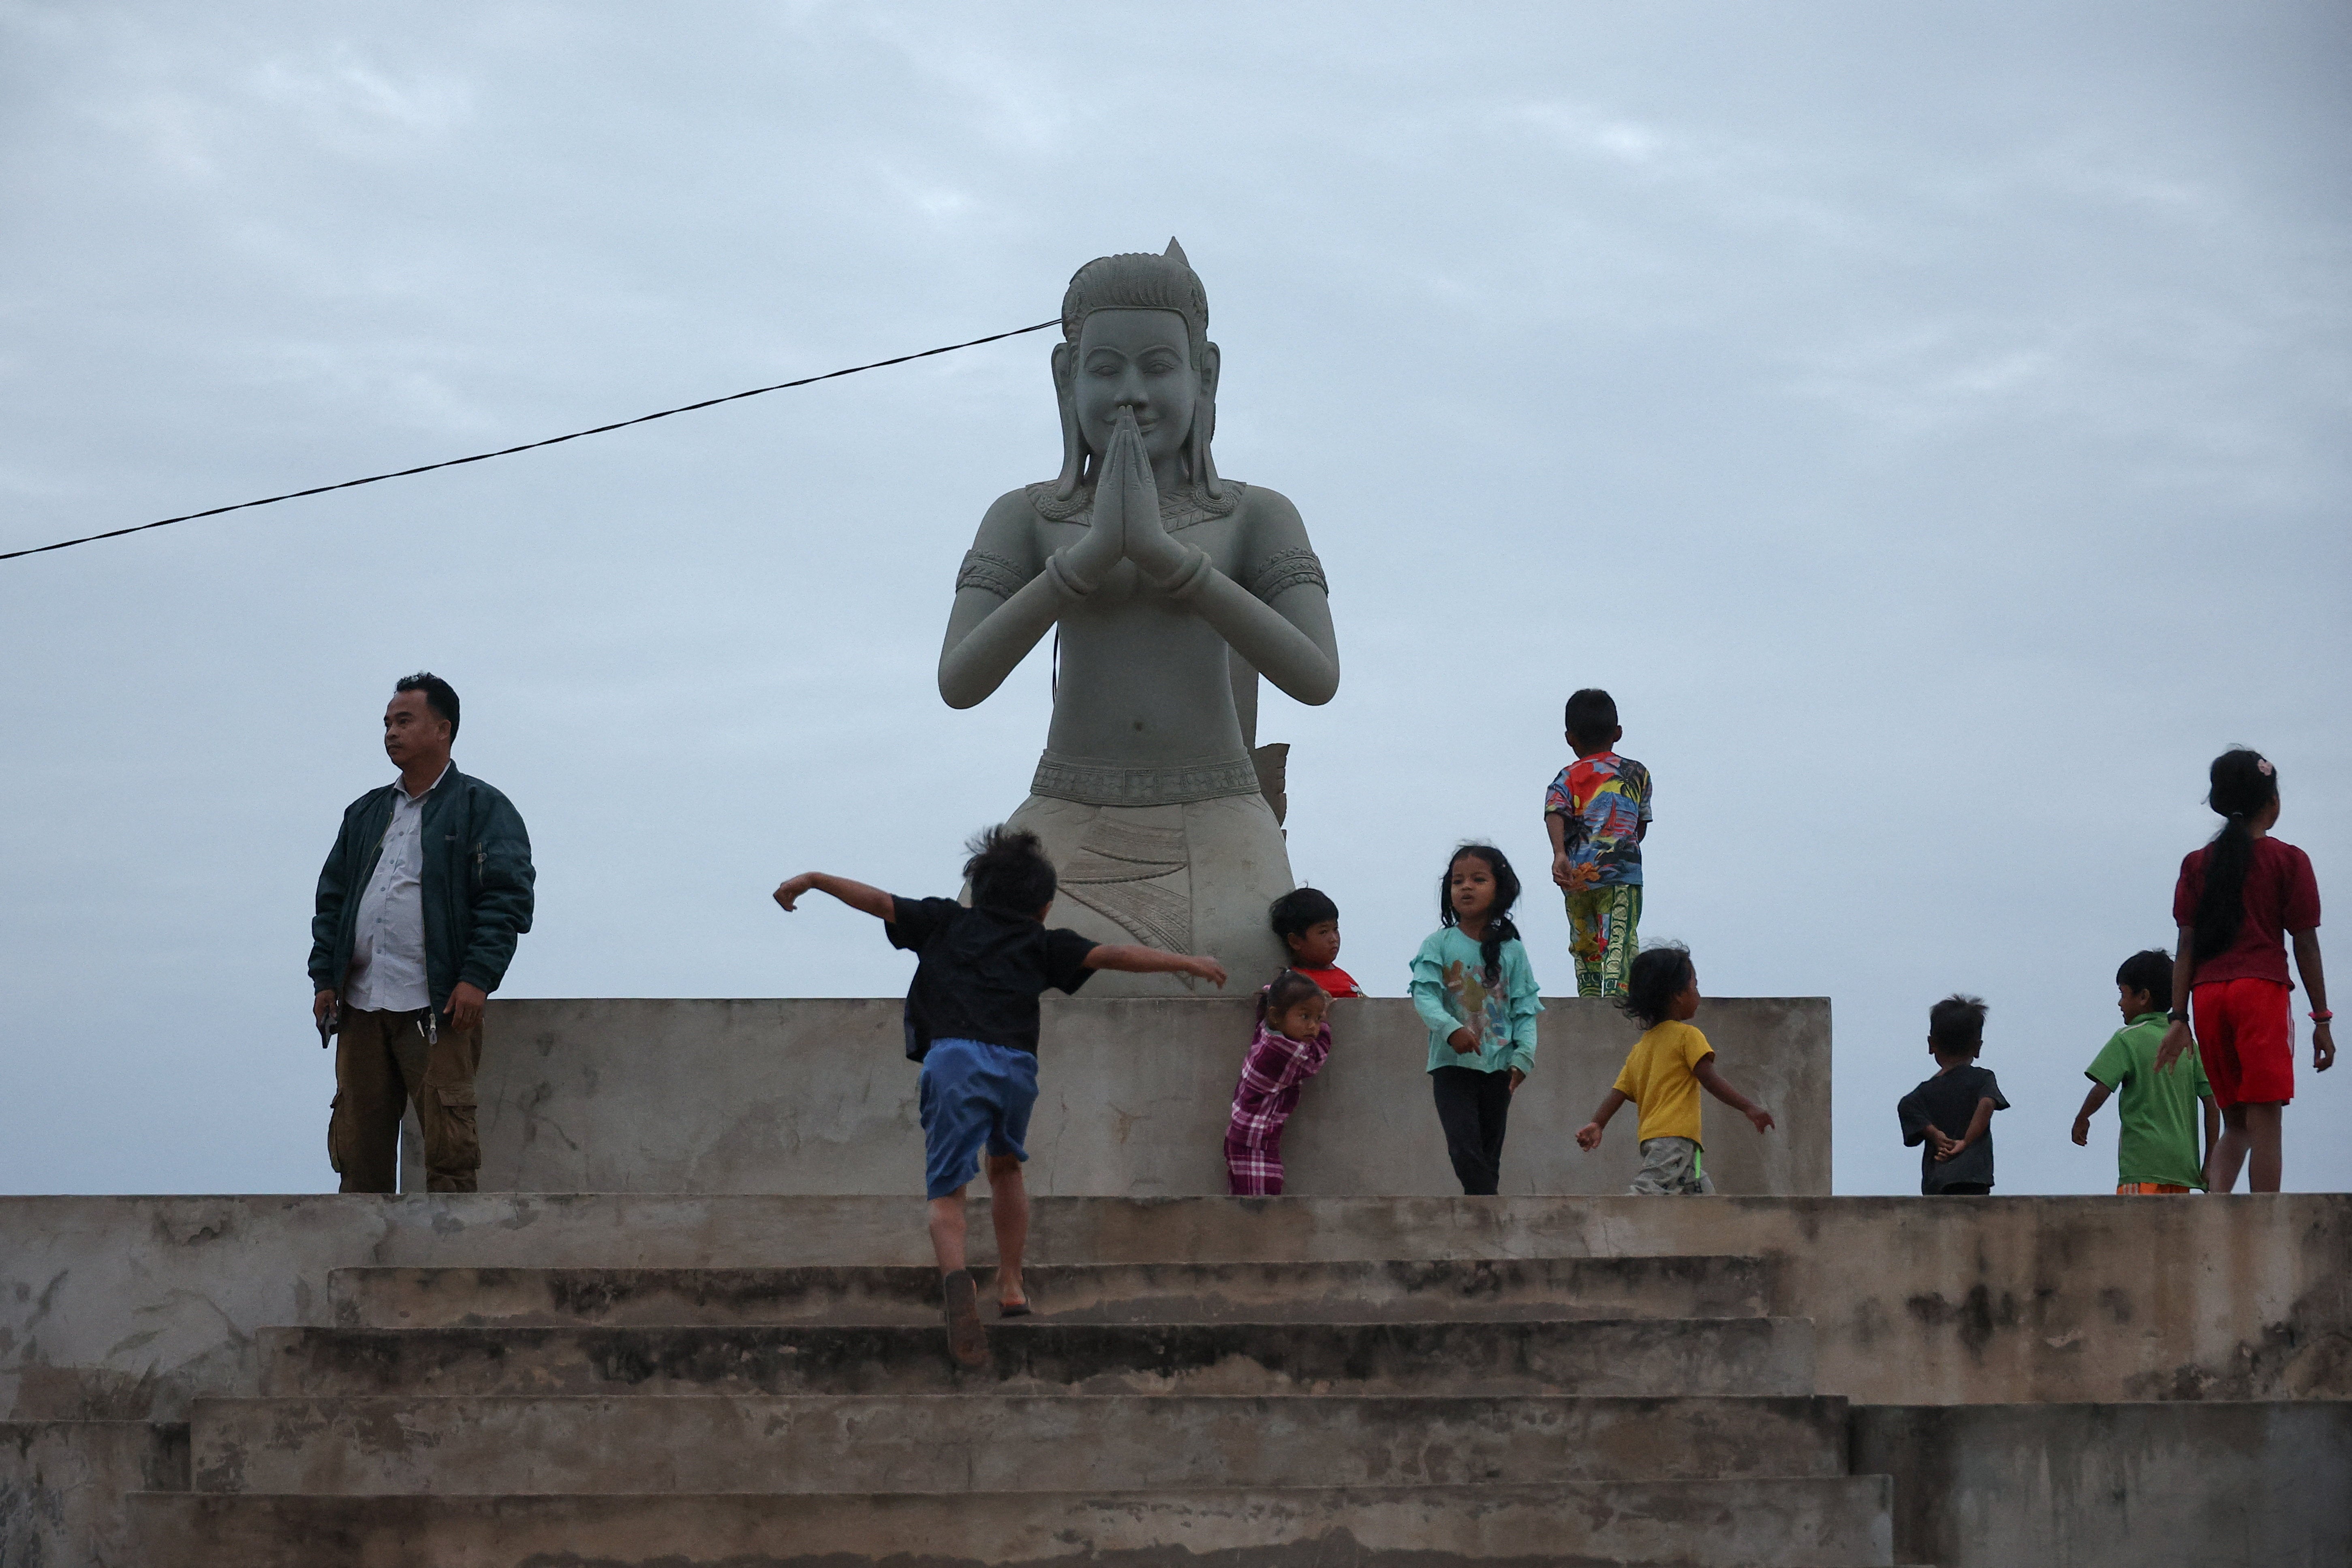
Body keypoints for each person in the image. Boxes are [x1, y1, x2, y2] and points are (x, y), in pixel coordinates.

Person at [772, 825, 1227, 1366]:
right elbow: (1114, 954)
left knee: (947, 1193)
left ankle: (957, 1286)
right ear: (1045, 906)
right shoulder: (1042, 943)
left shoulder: (945, 921)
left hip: (954, 1061)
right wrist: (1186, 961)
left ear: (978, 891)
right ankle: (1011, 1285)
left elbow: (876, 901)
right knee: (1006, 1167)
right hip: (1015, 1066)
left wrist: (816, 879)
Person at [308, 673, 536, 1195]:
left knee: (449, 1152)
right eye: (387, 722)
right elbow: (332, 900)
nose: (391, 732)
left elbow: (507, 898)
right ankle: (366, 1266)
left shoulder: (482, 806)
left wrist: (477, 978)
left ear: (442, 729)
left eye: (404, 720)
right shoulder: (366, 812)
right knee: (357, 1154)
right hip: (362, 1006)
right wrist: (325, 977)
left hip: (436, 1006)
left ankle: (452, 1266)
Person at [2154, 749, 2332, 1194]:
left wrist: (2178, 1017)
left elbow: (2186, 944)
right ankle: (2265, 1223)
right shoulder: (2287, 860)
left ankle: (2213, 1212)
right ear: (2271, 801)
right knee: (2265, 1117)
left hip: (2207, 996)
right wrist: (2321, 1019)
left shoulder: (2197, 864)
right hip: (2260, 991)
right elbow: (2304, 942)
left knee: (2235, 1124)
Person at [1574, 943, 1774, 1194]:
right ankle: (1615, 1215)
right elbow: (1710, 1080)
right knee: (1652, 1189)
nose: (1699, 995)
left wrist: (1598, 1124)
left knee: (1702, 1196)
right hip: (1674, 1139)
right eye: (1695, 986)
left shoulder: (1642, 1048)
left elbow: (1618, 1093)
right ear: (1679, 994)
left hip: (1666, 1141)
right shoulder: (1687, 1036)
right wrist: (1749, 1107)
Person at [1411, 844, 1543, 1196]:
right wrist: (1450, 1030)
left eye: (1478, 879)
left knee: (1488, 1156)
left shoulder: (1513, 950)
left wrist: (1523, 1058)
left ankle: (1484, 1227)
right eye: (1458, 881)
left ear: (1500, 888)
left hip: (1499, 1070)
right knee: (1464, 1151)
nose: (1466, 887)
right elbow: (1424, 995)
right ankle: (1493, 1213)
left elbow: (1526, 1009)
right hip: (1451, 1067)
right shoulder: (1437, 944)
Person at [2072, 949, 2217, 1194]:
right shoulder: (2188, 1045)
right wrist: (2211, 1160)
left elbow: (2102, 1087)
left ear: (2143, 997)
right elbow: (2212, 1102)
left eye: (2123, 994)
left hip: (2143, 1167)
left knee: (2135, 1231)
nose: (2119, 1003)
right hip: (2183, 1169)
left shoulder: (2127, 1038)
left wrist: (2082, 1117)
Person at [1544, 688, 1653, 998]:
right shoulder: (1636, 773)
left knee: (1585, 942)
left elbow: (1555, 811)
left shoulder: (1567, 776)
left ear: (1570, 738)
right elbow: (1640, 826)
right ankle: (1617, 1001)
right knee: (1619, 939)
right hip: (1621, 872)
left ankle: (1588, 1002)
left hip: (1577, 875)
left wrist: (1559, 854)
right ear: (1617, 733)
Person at [1223, 969, 1333, 1196]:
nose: (1313, 1026)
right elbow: (1315, 1060)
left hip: (1247, 1137)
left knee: (1248, 1200)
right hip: (1255, 1143)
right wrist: (1326, 1027)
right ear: (1276, 1016)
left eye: (1318, 1018)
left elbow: (1270, 1001)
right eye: (1305, 1017)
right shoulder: (1282, 1051)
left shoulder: (1268, 1033)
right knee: (1262, 1204)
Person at [1897, 996, 2008, 1196]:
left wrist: (1935, 1135)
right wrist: (1965, 1142)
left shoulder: (1922, 1094)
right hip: (1973, 1175)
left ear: (1932, 1044)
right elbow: (1987, 1104)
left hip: (1937, 1179)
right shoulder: (1983, 1078)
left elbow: (1906, 1106)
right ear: (1977, 1047)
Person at [1268, 886, 1362, 998]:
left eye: (1335, 929)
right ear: (1296, 942)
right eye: (1323, 932)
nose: (1334, 938)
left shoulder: (1341, 975)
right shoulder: (1300, 985)